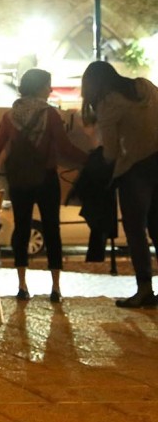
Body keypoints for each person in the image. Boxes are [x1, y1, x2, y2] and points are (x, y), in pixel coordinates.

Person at [0, 69, 87, 303]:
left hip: (19, 180)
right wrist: (92, 159)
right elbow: (65, 148)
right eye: (48, 85)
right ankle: (56, 287)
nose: (49, 90)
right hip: (46, 178)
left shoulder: (10, 117)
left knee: (21, 227)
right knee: (51, 230)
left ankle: (22, 285)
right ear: (39, 87)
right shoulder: (51, 115)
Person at [81, 61, 158, 308]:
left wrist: (99, 160)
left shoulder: (108, 103)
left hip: (135, 169)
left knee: (136, 230)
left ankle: (144, 289)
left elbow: (111, 151)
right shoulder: (145, 87)